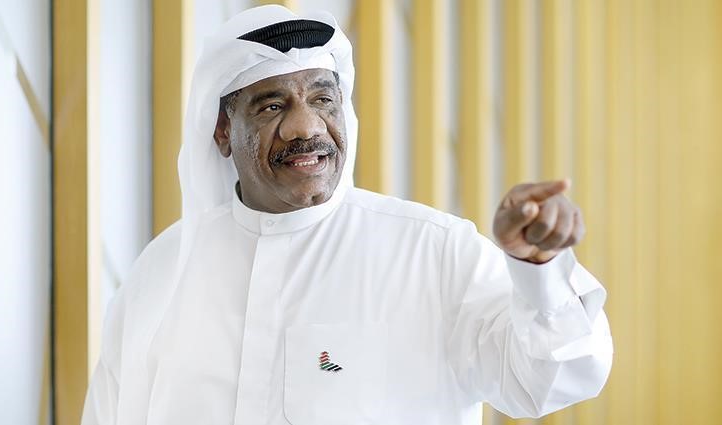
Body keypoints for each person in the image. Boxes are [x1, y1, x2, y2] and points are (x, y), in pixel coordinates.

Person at [81, 5, 612, 425]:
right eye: (272, 106)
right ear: (222, 131)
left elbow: (549, 378)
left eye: (322, 100)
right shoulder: (163, 271)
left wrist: (539, 270)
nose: (305, 128)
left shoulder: (434, 251)